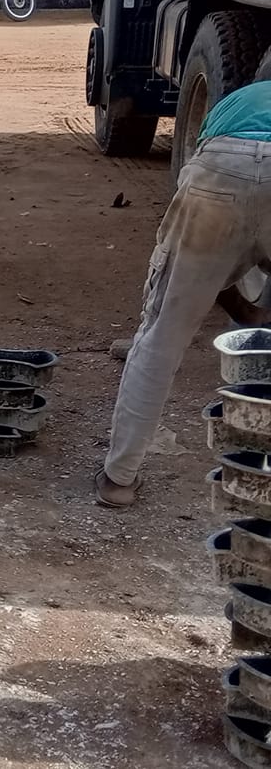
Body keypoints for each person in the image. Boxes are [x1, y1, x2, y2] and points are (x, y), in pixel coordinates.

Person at [96, 58, 271, 507]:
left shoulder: (234, 102)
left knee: (162, 334)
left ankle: (120, 479)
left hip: (219, 175)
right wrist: (250, 312)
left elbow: (216, 257)